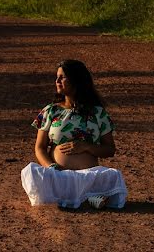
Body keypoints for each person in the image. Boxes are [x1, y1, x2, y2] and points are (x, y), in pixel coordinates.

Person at [20, 59, 127, 209]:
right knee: (31, 171)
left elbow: (110, 149)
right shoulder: (51, 111)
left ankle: (80, 195)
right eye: (57, 77)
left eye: (62, 77)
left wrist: (86, 147)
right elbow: (40, 148)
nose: (57, 81)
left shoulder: (97, 113)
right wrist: (52, 168)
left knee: (114, 175)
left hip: (88, 176)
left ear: (77, 80)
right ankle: (87, 197)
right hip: (59, 176)